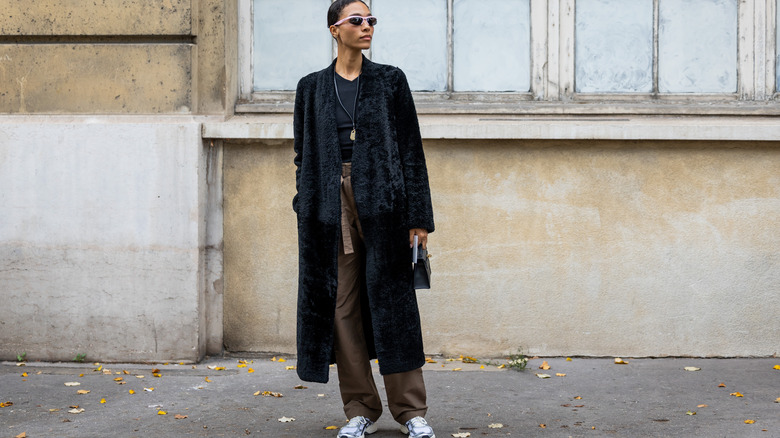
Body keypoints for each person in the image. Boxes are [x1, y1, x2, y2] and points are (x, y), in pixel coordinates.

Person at [292, 1, 436, 437]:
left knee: (393, 302)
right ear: (335, 30)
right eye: (357, 20)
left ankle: (412, 413)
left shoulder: (390, 80)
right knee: (340, 306)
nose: (367, 26)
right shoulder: (311, 87)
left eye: (371, 20)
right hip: (329, 206)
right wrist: (306, 201)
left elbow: (411, 150)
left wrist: (419, 218)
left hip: (385, 203)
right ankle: (360, 408)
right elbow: (303, 155)